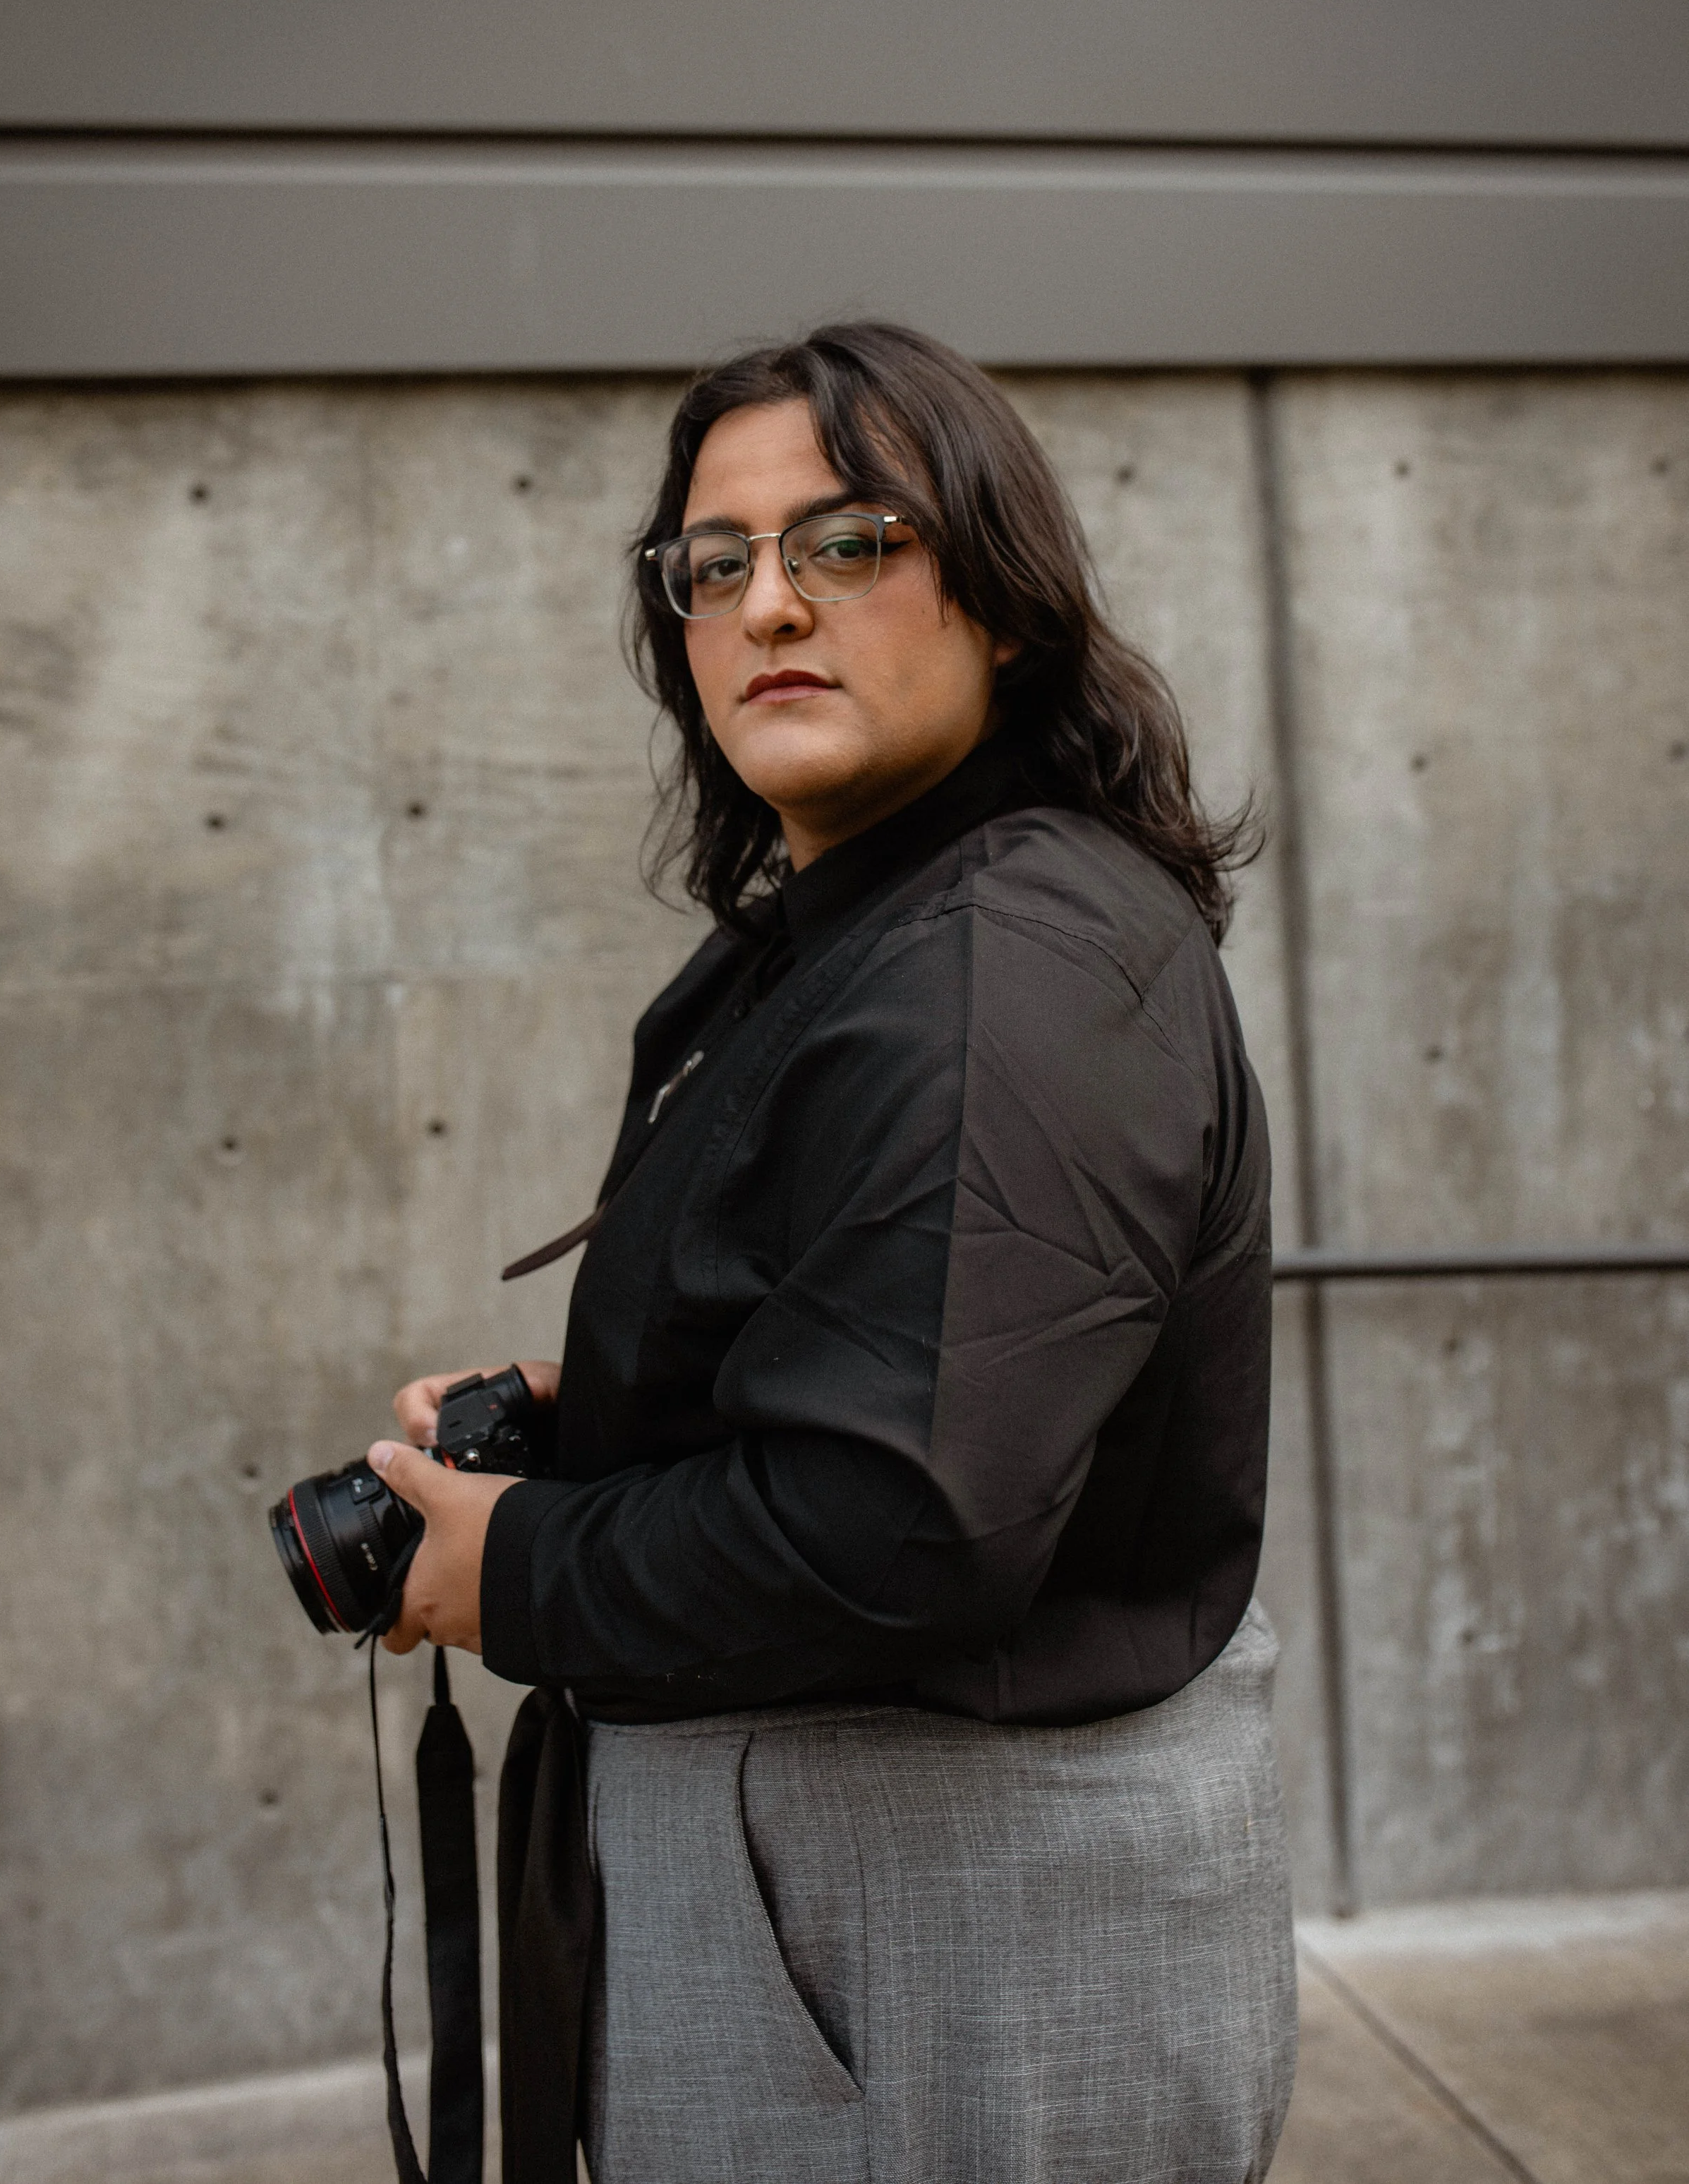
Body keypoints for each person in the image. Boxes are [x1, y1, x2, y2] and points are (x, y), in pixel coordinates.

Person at [365, 321, 1296, 2184]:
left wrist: (525, 1564)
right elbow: (914, 1361)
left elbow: (904, 1521)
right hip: (838, 1906)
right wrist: (611, 1414)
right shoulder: (864, 919)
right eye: (716, 564)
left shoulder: (997, 975)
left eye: (849, 540)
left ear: (1001, 604)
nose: (769, 600)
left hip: (937, 1929)